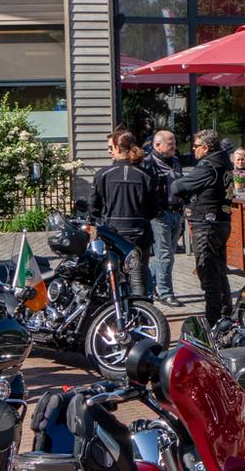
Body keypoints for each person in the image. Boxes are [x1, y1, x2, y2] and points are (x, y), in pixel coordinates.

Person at [171, 129, 235, 324]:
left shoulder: (208, 166)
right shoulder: (224, 162)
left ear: (206, 148)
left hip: (206, 224)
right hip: (221, 221)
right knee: (219, 270)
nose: (193, 149)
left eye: (196, 146)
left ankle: (213, 319)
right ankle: (225, 313)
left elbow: (178, 187)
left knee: (207, 273)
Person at [95, 128, 162, 299]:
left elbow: (93, 207)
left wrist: (103, 222)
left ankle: (115, 317)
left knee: (113, 279)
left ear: (117, 148)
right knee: (138, 280)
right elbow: (155, 208)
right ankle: (141, 317)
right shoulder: (145, 176)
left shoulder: (103, 175)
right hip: (139, 235)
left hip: (112, 237)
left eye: (111, 148)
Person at [143, 129, 185, 305]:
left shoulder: (175, 161)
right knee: (165, 255)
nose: (174, 146)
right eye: (170, 143)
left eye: (174, 142)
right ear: (157, 145)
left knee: (166, 256)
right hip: (160, 215)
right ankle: (166, 293)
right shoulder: (148, 163)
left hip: (176, 213)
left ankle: (151, 284)